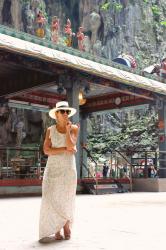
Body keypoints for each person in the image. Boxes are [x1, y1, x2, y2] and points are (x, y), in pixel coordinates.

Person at [39, 101, 79, 243]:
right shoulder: (50, 129)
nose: (65, 114)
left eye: (67, 112)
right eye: (62, 111)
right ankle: (56, 228)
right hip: (53, 168)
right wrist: (64, 150)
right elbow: (46, 150)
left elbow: (70, 145)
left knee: (67, 196)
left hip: (68, 168)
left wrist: (68, 131)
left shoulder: (74, 128)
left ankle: (66, 225)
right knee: (52, 196)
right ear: (56, 114)